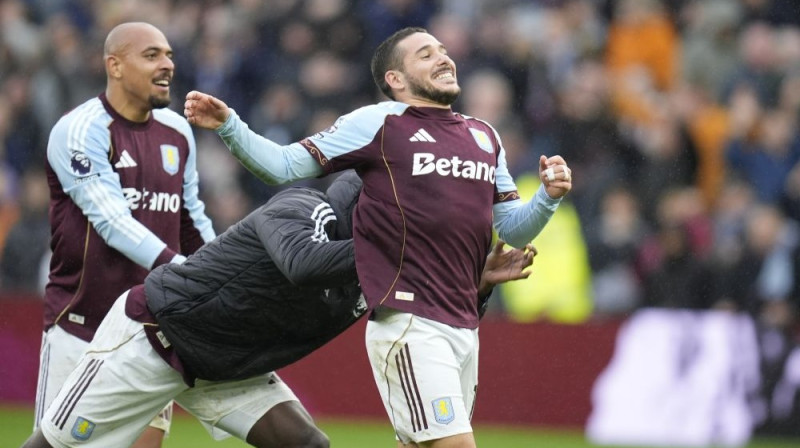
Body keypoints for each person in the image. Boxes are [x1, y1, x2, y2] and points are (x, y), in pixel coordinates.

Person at [183, 26, 572, 447]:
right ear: (396, 80)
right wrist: (229, 125)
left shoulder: (484, 135)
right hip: (410, 322)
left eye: (442, 50)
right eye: (425, 55)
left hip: (463, 323)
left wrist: (547, 199)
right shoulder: (380, 121)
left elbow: (511, 227)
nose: (443, 58)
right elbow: (282, 166)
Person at [20, 171, 536, 448]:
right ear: (361, 210)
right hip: (156, 338)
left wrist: (476, 286)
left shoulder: (385, 266)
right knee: (56, 446)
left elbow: (425, 317)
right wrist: (397, 250)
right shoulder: (298, 208)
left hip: (227, 369)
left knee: (306, 445)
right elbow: (302, 265)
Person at [35, 22, 215, 448]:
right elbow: (113, 223)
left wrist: (220, 269)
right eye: (151, 55)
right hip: (80, 326)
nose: (167, 64)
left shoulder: (177, 131)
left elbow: (190, 219)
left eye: (169, 55)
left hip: (148, 331)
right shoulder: (80, 130)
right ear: (114, 65)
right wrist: (187, 271)